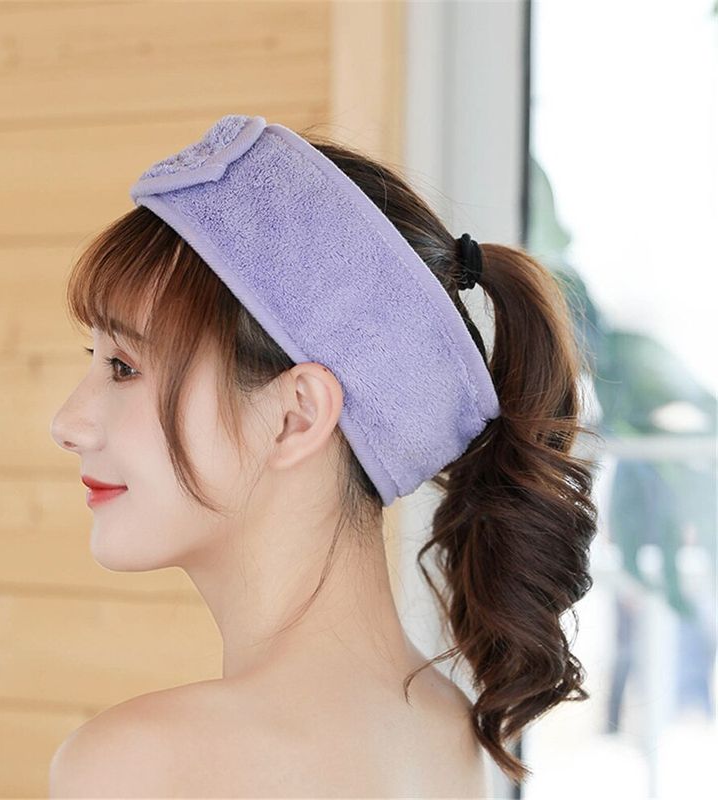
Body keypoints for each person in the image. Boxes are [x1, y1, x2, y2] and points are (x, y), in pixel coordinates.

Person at [48, 115, 599, 797]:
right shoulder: (446, 726)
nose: (68, 423)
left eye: (124, 367)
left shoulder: (140, 764)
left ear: (298, 415)